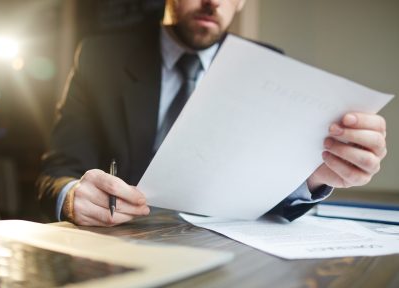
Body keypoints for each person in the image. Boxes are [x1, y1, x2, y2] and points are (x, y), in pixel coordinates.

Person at [37, 0, 387, 226]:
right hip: (120, 244)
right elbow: (57, 172)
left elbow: (265, 186)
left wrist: (315, 176)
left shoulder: (269, 66)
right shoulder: (101, 56)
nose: (212, 2)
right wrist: (71, 197)